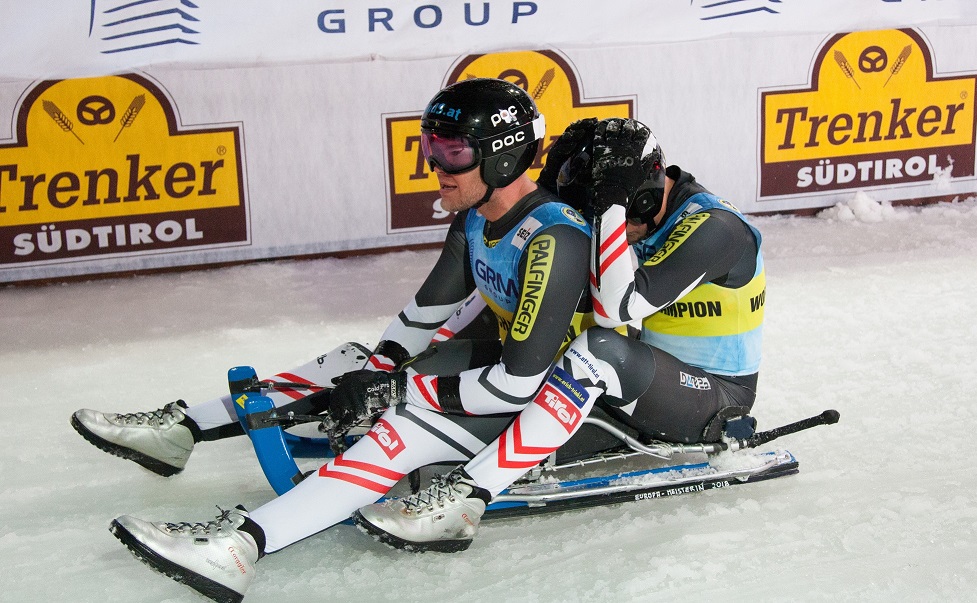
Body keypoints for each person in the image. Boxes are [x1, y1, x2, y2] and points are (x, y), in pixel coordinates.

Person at [107, 77, 595, 603]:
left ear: (503, 157)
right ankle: (189, 429)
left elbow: (518, 385)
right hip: (511, 367)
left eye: (453, 152)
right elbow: (423, 313)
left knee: (407, 422)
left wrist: (395, 393)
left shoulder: (554, 235)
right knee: (358, 364)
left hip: (563, 398)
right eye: (431, 148)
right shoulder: (477, 217)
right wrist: (381, 368)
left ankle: (239, 546)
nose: (435, 166)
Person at [350, 117, 766, 551]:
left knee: (597, 348)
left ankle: (468, 495)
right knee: (517, 338)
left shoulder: (717, 228)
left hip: (712, 395)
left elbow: (613, 309)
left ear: (637, 196)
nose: (602, 224)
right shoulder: (641, 208)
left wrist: (609, 205)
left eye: (605, 212)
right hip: (640, 371)